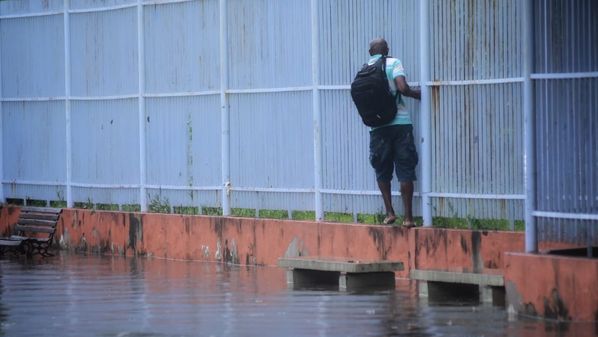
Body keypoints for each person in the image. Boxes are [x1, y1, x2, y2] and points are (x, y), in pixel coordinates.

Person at [366, 38, 421, 227]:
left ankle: (389, 212)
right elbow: (402, 88)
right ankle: (408, 218)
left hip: (377, 127)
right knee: (405, 168)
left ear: (370, 52)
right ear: (387, 50)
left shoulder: (365, 69)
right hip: (400, 124)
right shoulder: (393, 62)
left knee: (382, 169)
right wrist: (418, 94)